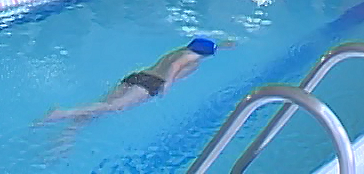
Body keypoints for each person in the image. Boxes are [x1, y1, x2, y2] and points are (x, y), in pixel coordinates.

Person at [39, 38, 236, 125]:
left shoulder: (182, 50)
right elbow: (176, 65)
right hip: (152, 83)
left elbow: (201, 49)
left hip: (138, 75)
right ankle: (62, 113)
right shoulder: (192, 58)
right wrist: (167, 84)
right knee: (115, 107)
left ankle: (70, 132)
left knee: (102, 105)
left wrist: (223, 45)